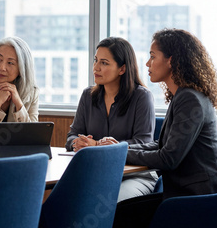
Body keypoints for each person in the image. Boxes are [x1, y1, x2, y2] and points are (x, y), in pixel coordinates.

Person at [112, 28, 217, 228]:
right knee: (122, 212)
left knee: (122, 216)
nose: (147, 64)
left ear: (171, 60)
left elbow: (168, 158)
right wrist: (121, 147)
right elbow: (162, 145)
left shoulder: (189, 99)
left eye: (152, 56)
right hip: (188, 193)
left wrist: (118, 153)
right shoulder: (183, 96)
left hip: (200, 199)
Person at [66, 37, 157, 202]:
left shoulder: (142, 97)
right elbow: (72, 136)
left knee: (111, 202)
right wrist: (78, 143)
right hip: (96, 172)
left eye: (104, 63)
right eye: (95, 61)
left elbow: (144, 143)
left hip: (134, 176)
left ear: (122, 69)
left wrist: (98, 145)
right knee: (67, 200)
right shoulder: (88, 96)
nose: (96, 68)